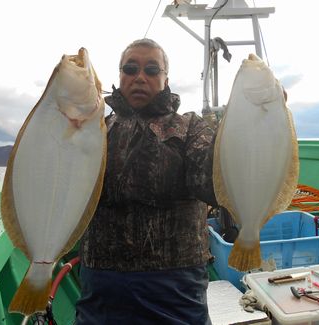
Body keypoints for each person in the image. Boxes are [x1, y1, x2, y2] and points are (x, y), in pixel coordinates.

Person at [76, 38, 217, 325]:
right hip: (102, 285)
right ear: (120, 76)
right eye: (130, 69)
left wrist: (257, 124)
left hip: (175, 286)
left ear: (166, 80)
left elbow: (213, 184)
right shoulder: (94, 131)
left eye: (152, 70)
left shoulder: (190, 128)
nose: (140, 77)